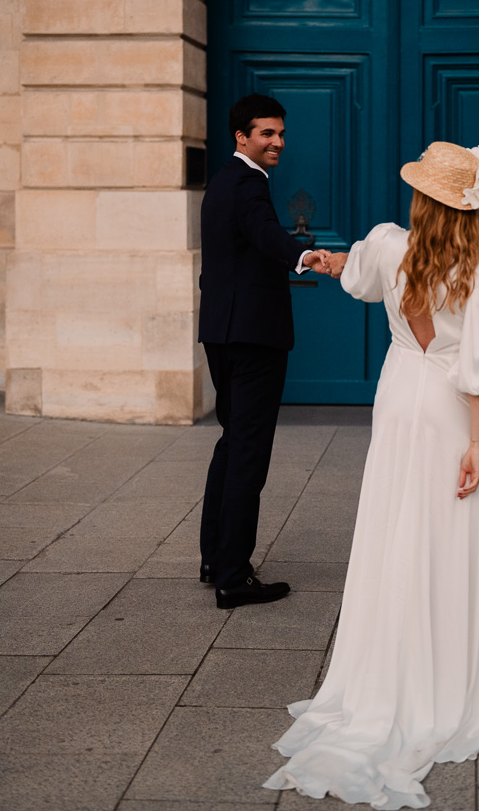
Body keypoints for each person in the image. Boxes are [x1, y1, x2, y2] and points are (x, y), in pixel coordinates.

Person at [263, 140, 479, 809]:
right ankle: (444, 679)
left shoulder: (388, 247)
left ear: (419, 200)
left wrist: (325, 261)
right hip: (444, 409)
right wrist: (475, 444)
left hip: (398, 393)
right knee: (444, 530)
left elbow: (356, 274)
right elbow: (478, 371)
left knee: (392, 527)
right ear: (471, 210)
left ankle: (382, 670)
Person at [199, 93, 330, 610]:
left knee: (232, 444)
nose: (277, 142)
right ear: (242, 137)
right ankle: (233, 576)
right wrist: (305, 254)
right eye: (266, 133)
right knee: (248, 453)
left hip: (222, 332)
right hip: (254, 338)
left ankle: (215, 558)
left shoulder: (221, 181)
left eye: (280, 133)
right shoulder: (249, 182)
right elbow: (264, 231)